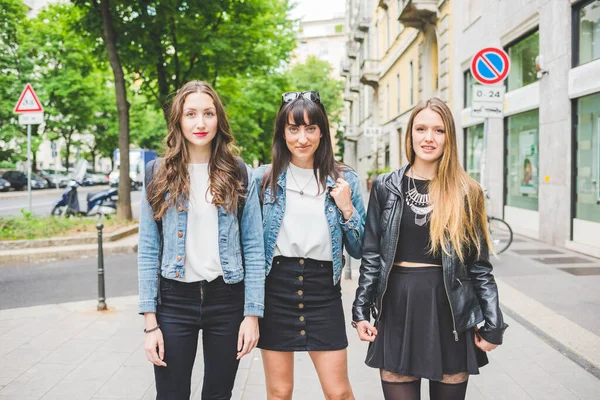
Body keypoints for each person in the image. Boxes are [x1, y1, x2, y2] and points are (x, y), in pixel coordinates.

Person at [352, 97, 508, 400]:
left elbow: (479, 265)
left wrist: (493, 323)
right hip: (397, 305)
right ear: (410, 134)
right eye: (421, 129)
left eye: (438, 130)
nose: (428, 137)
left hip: (448, 308)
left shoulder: (467, 191)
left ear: (449, 136)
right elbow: (372, 255)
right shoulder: (386, 186)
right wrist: (360, 311)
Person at [137, 80, 265, 400]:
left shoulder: (237, 171)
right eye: (190, 113)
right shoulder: (158, 172)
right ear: (178, 120)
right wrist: (150, 323)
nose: (200, 122)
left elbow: (253, 245)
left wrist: (252, 315)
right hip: (174, 301)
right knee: (171, 395)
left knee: (218, 394)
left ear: (218, 119)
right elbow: (149, 250)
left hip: (227, 299)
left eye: (208, 113)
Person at [253, 91, 366, 400]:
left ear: (322, 132)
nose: (302, 138)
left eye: (310, 128)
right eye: (293, 128)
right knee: (279, 392)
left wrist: (347, 210)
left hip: (322, 293)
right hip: (275, 290)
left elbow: (361, 249)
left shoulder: (344, 180)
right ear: (282, 133)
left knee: (339, 392)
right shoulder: (263, 179)